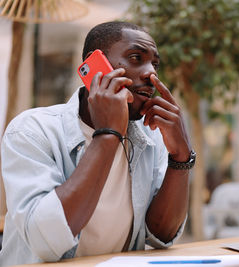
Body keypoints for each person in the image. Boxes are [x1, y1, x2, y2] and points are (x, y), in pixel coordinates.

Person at [0, 21, 195, 266]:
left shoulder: (150, 137)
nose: (150, 73)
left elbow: (161, 235)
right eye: (136, 57)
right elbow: (44, 241)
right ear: (94, 66)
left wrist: (181, 158)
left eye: (155, 64)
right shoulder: (32, 130)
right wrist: (108, 134)